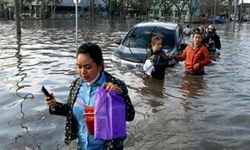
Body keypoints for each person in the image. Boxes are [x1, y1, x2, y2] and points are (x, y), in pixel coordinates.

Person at [44, 42, 135, 150]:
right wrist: (54, 105)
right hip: (82, 146)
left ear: (99, 65)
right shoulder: (76, 85)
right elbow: (70, 110)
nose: (83, 72)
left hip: (109, 147)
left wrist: (120, 96)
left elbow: (130, 115)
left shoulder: (115, 85)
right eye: (79, 67)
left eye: (88, 67)